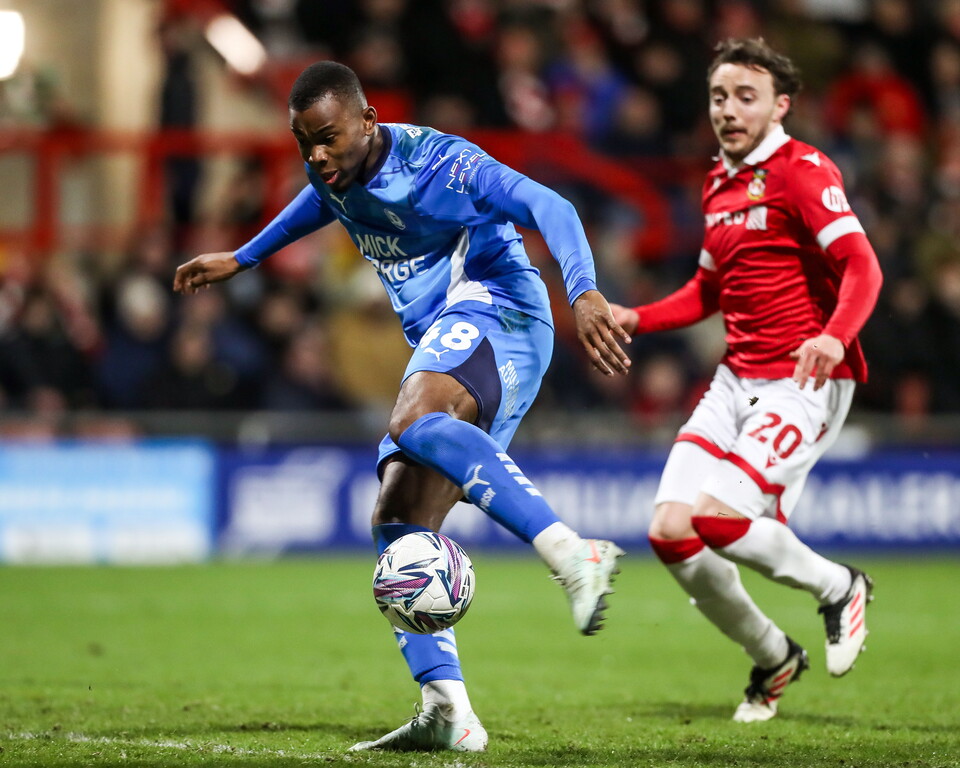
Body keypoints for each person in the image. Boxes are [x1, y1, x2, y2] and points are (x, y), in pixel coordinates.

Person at [173, 61, 630, 751]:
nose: (316, 155)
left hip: (499, 309)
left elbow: (552, 207)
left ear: (368, 122)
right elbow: (318, 202)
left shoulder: (443, 165)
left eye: (327, 137)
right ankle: (449, 711)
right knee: (396, 519)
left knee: (413, 419)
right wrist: (245, 257)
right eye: (304, 143)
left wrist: (585, 290)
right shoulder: (335, 175)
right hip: (455, 334)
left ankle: (573, 553)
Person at [611, 38, 882, 723]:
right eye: (718, 97)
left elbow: (863, 267)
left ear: (780, 105)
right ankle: (773, 657)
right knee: (672, 530)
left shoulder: (802, 169)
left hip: (805, 376)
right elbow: (707, 290)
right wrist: (633, 318)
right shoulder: (719, 183)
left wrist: (833, 334)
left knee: (718, 519)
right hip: (737, 378)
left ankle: (840, 586)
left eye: (745, 97)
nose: (728, 111)